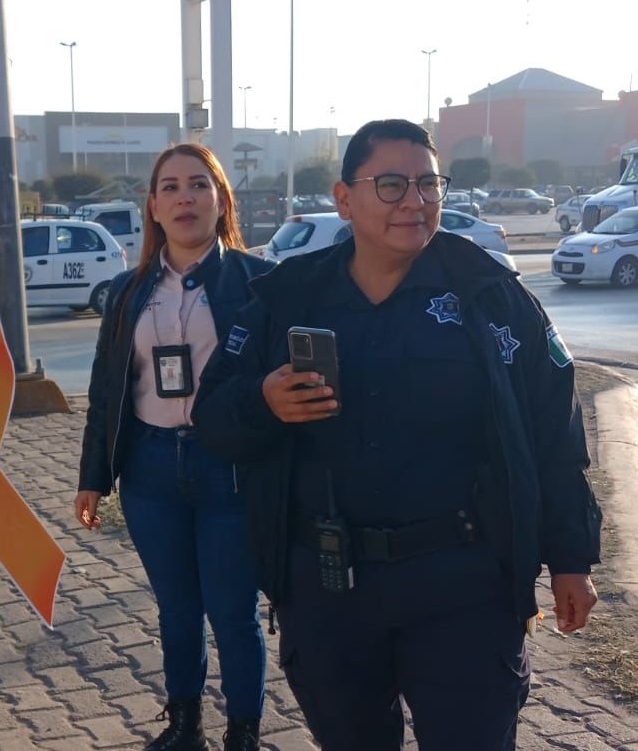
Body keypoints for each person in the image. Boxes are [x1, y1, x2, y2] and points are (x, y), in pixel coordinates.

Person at [191, 119, 602, 751]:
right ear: (343, 197)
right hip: (328, 590)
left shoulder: (490, 297)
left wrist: (570, 559)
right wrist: (263, 402)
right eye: (390, 185)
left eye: (428, 184)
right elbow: (213, 417)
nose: (415, 201)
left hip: (463, 584)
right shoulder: (284, 299)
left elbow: (554, 432)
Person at [73, 143, 273, 751]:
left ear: (220, 201)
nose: (184, 197)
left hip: (230, 472)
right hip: (150, 470)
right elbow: (107, 389)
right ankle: (184, 728)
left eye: (198, 185)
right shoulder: (127, 292)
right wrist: (93, 476)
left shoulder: (258, 282)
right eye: (170, 187)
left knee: (233, 613)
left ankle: (243, 733)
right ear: (153, 208)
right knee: (177, 611)